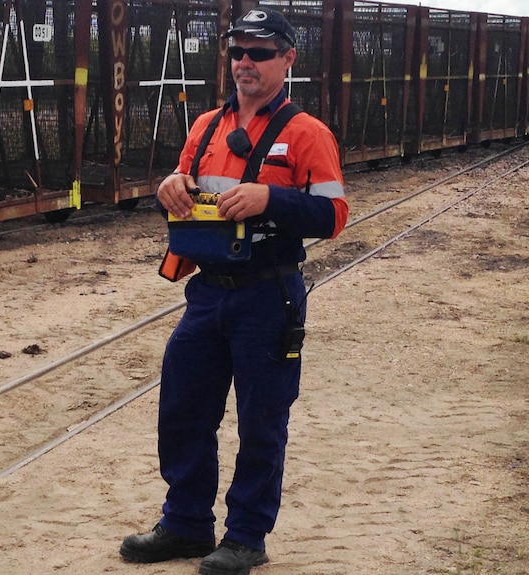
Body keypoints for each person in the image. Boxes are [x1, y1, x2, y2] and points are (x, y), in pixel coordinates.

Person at [120, 7, 348, 575]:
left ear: (288, 59)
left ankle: (246, 535)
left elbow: (333, 214)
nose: (245, 62)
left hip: (267, 296)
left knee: (261, 418)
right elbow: (185, 189)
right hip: (206, 293)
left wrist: (271, 199)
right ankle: (186, 524)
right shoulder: (206, 126)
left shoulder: (307, 133)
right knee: (183, 408)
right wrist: (169, 187)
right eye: (238, 52)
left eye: (260, 52)